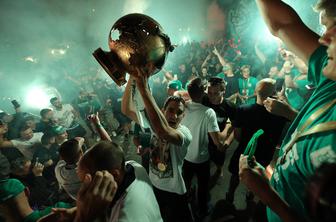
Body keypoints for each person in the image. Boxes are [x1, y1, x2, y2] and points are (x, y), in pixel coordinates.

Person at [239, 0, 336, 221]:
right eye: (326, 27)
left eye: (334, 28)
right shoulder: (330, 77)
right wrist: (291, 114)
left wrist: (267, 193)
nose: (324, 38)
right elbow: (282, 24)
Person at [122, 73, 193, 222]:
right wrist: (131, 78)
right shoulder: (155, 127)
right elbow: (126, 109)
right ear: (163, 111)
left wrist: (142, 87)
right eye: (171, 110)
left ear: (183, 116)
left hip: (175, 190)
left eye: (179, 112)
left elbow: (163, 132)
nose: (174, 116)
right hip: (154, 184)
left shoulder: (185, 133)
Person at [75, 141, 163, 222]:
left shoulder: (126, 216)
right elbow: (112, 156)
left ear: (114, 175)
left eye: (87, 183)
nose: (84, 189)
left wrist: (83, 217)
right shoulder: (133, 166)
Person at [181, 77, 227, 219]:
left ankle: (186, 207)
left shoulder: (183, 107)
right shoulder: (208, 112)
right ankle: (202, 210)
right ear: (203, 92)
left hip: (185, 156)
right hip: (201, 159)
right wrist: (229, 126)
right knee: (202, 187)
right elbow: (218, 141)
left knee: (186, 183)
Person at [202, 77, 235, 185]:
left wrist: (228, 142)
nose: (211, 96)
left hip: (219, 143)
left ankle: (219, 169)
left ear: (223, 91)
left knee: (219, 160)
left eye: (216, 93)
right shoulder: (204, 100)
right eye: (209, 92)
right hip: (204, 140)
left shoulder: (230, 106)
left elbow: (236, 127)